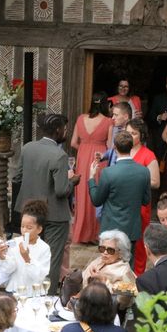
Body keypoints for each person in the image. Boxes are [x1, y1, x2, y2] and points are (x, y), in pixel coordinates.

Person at [14, 113, 79, 294]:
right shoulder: (59, 155)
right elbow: (61, 190)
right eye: (65, 129)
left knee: (29, 253)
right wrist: (73, 181)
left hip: (28, 211)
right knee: (52, 258)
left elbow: (17, 177)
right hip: (54, 214)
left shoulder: (27, 148)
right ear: (58, 131)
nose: (66, 132)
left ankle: (25, 292)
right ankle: (46, 298)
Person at [89, 131, 151, 267]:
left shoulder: (108, 173)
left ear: (114, 148)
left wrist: (92, 178)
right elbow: (146, 200)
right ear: (131, 147)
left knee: (108, 267)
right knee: (128, 267)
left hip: (110, 229)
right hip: (131, 228)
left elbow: (96, 200)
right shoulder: (144, 171)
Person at [71, 91, 112, 244]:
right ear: (105, 104)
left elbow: (73, 143)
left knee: (82, 194)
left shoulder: (81, 118)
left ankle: (81, 233)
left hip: (82, 159)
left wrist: (84, 149)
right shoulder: (108, 122)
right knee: (97, 193)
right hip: (99, 159)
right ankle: (95, 234)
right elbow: (110, 146)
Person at [126, 118, 160, 275]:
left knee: (139, 245)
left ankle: (138, 277)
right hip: (122, 205)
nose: (129, 136)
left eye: (134, 133)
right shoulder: (120, 150)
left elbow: (155, 182)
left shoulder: (149, 155)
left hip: (140, 206)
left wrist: (136, 181)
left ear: (141, 135)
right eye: (127, 132)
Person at [4, 200, 51, 293]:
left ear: (39, 229)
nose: (24, 230)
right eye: (22, 226)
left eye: (29, 228)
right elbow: (7, 270)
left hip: (33, 293)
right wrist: (2, 256)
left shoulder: (44, 248)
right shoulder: (14, 243)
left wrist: (27, 259)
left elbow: (40, 277)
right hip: (14, 290)